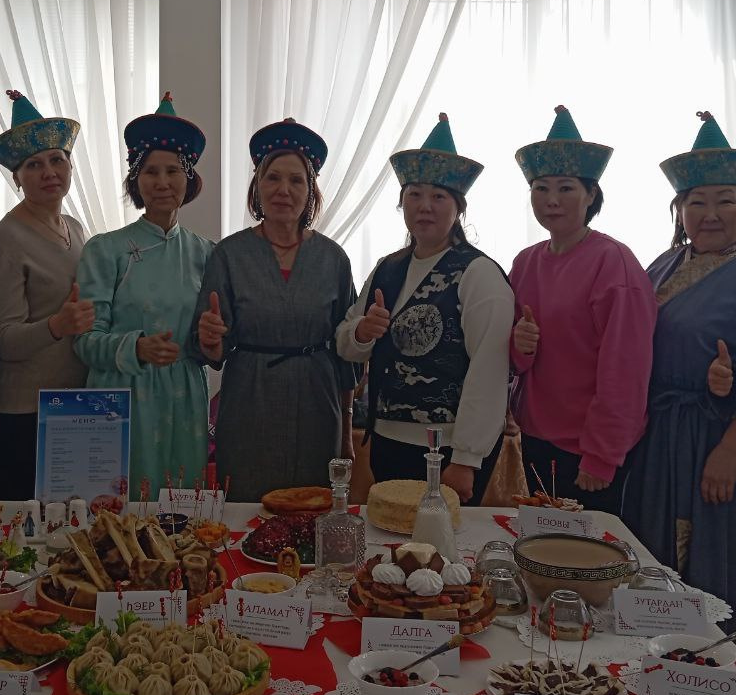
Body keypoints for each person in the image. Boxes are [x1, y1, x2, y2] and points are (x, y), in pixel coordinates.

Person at [621, 111, 736, 651]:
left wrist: (728, 453)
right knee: (650, 557)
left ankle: (711, 675)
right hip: (658, 438)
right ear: (679, 211)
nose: (711, 213)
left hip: (717, 441)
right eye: (696, 202)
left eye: (726, 200)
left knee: (708, 561)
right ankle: (645, 667)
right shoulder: (662, 265)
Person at [337, 114, 513, 505]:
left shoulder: (477, 273)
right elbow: (346, 343)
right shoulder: (388, 267)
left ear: (458, 207)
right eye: (414, 195)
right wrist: (363, 331)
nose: (425, 207)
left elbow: (489, 369)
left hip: (447, 449)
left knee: (444, 539)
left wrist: (466, 458)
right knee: (391, 534)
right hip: (386, 439)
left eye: (438, 197)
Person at [191, 118, 359, 501]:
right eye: (273, 178)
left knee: (312, 507)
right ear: (257, 186)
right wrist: (210, 338)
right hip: (249, 400)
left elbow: (346, 355)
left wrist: (347, 430)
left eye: (296, 180)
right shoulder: (229, 255)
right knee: (247, 505)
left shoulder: (333, 259)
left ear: (310, 191)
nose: (284, 190)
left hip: (318, 400)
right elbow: (212, 351)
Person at [509, 106, 656, 513]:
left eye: (566, 188)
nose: (552, 200)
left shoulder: (614, 263)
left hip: (587, 448)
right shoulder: (525, 262)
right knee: (542, 539)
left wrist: (603, 454)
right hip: (536, 436)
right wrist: (519, 344)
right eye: (541, 188)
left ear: (591, 195)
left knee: (587, 548)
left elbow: (626, 368)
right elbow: (515, 358)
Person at [76, 93, 214, 491]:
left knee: (180, 509)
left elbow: (214, 340)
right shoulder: (105, 250)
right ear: (136, 180)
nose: (162, 182)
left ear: (189, 179)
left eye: (173, 171)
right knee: (118, 511)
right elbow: (84, 342)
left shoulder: (208, 253)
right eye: (151, 171)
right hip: (121, 396)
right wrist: (136, 348)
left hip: (185, 399)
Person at [0, 90, 93, 499]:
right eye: (34, 165)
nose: (49, 172)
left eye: (57, 160)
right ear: (17, 178)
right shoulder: (5, 240)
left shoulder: (76, 229)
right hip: (23, 413)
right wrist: (57, 325)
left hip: (75, 403)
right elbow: (4, 339)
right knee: (26, 525)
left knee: (74, 524)